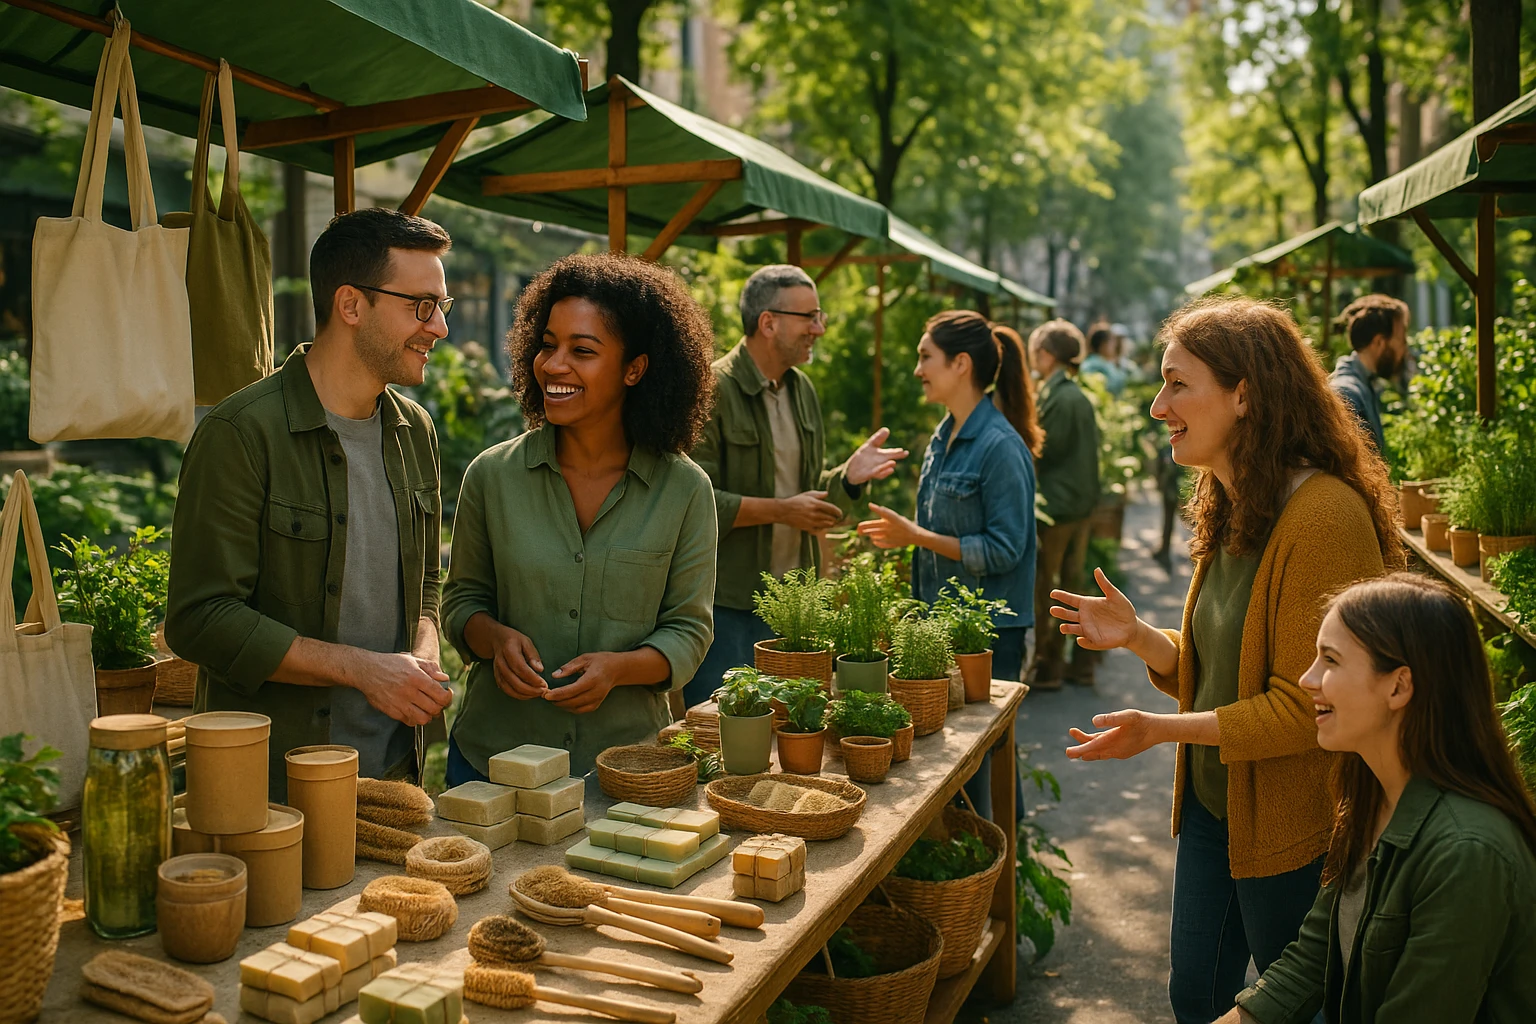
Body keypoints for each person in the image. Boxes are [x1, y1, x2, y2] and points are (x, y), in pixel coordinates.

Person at [1049, 298, 1403, 1024]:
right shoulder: (1232, 499)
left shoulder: (1325, 518)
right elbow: (1223, 670)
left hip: (1295, 823)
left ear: (1245, 393)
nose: (1157, 406)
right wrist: (1140, 637)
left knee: (1286, 1006)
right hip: (1220, 811)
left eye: (1178, 384)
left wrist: (1161, 730)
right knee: (1197, 996)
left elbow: (1309, 706)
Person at [167, 208, 455, 800]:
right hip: (271, 790)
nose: (439, 329)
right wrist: (362, 669)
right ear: (351, 305)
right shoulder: (241, 432)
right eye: (421, 306)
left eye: (441, 307)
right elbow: (199, 620)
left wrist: (422, 648)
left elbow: (425, 578)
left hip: (395, 773)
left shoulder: (415, 430)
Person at [439, 253, 717, 785]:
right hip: (490, 763)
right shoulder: (491, 477)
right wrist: (495, 640)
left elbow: (689, 629)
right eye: (548, 345)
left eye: (582, 351)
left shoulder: (684, 491)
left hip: (625, 768)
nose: (554, 365)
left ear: (635, 369)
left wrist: (619, 670)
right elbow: (461, 601)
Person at [1220, 574, 1536, 1024]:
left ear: (1398, 686)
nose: (1307, 680)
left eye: (1330, 660)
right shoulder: (1372, 797)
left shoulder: (1468, 853)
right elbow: (1308, 963)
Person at [687, 264, 908, 706]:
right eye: (809, 317)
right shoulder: (712, 389)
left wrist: (847, 477)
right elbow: (692, 502)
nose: (819, 329)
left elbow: (808, 493)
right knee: (720, 739)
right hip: (726, 607)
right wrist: (782, 510)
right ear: (768, 322)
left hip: (794, 606)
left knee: (786, 742)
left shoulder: (802, 391)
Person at [857, 311, 1042, 817]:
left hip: (989, 634)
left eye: (925, 357)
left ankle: (1000, 876)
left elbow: (1006, 548)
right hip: (943, 626)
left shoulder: (1001, 447)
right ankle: (986, 868)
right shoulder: (944, 438)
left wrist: (914, 536)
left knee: (982, 760)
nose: (917, 369)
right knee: (961, 759)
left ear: (961, 364)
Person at [1029, 319, 1101, 689]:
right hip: (1081, 503)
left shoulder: (1058, 396)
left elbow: (1045, 449)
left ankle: (1050, 665)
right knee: (1075, 582)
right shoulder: (1077, 394)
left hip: (1058, 505)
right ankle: (1078, 665)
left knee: (1051, 589)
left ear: (1046, 355)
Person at [1329, 294, 1409, 454]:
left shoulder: (1364, 384)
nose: (1404, 350)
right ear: (1379, 342)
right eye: (1401, 340)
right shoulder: (1348, 394)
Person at [1080, 324, 1128, 393]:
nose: (1114, 346)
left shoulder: (1105, 363)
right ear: (1102, 345)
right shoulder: (1093, 365)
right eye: (1111, 342)